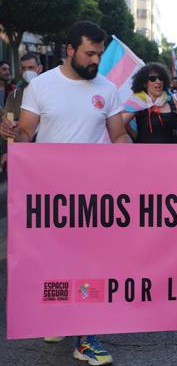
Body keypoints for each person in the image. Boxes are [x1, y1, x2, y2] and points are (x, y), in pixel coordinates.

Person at [0, 20, 131, 366]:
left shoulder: (108, 88)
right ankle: (57, 316)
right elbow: (27, 132)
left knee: (91, 264)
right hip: (50, 194)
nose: (95, 61)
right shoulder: (42, 86)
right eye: (89, 53)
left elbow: (117, 135)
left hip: (94, 197)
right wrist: (15, 133)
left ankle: (86, 337)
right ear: (70, 50)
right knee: (55, 263)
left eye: (99, 54)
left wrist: (128, 148)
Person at [122, 62, 177, 143]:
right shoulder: (136, 103)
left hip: (174, 152)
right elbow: (117, 127)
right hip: (147, 153)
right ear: (144, 83)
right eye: (152, 78)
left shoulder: (173, 101)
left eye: (161, 78)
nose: (158, 81)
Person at [0, 53, 43, 170]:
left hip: (45, 152)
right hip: (21, 153)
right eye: (23, 68)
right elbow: (7, 123)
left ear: (39, 68)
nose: (27, 71)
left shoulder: (50, 93)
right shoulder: (14, 95)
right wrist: (5, 151)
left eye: (31, 68)